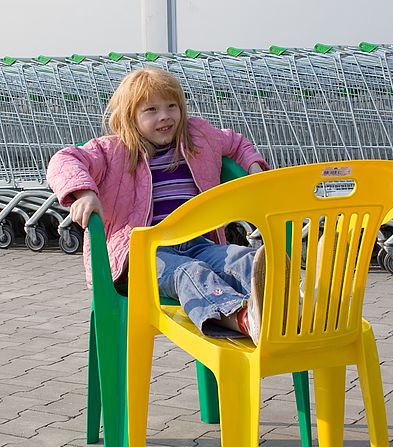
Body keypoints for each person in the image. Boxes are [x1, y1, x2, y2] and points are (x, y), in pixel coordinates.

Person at [47, 67, 270, 345]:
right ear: (130, 117)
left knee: (242, 258)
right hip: (142, 255)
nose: (164, 116)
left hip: (197, 243)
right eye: (151, 110)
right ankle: (240, 317)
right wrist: (84, 192)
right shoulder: (113, 150)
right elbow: (64, 160)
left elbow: (235, 142)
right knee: (189, 274)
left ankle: (293, 305)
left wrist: (252, 165)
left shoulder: (198, 137)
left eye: (171, 106)